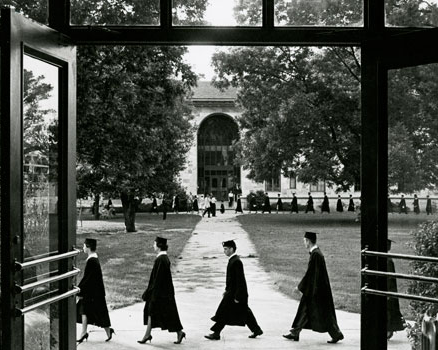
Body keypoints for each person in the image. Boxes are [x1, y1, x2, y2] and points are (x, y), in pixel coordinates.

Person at [283, 232, 344, 344]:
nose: (304, 243)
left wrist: (299, 287)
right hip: (316, 289)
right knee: (305, 310)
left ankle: (336, 334)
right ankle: (295, 332)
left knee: (324, 313)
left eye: (304, 241)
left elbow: (310, 274)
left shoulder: (316, 255)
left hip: (317, 290)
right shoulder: (316, 254)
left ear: (308, 241)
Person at [205, 240, 263, 340]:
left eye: (226, 249)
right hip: (232, 292)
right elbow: (231, 280)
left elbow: (240, 281)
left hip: (236, 294)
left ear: (232, 249)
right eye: (224, 249)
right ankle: (256, 330)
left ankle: (216, 333)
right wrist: (226, 290)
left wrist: (238, 296)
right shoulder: (233, 260)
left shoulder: (236, 261)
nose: (224, 251)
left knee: (224, 312)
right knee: (244, 313)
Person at [138, 237, 186, 345]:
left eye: (154, 244)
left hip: (161, 294)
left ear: (159, 245)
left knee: (160, 313)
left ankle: (178, 332)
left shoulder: (161, 259)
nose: (153, 246)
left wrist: (150, 293)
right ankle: (178, 332)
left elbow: (157, 280)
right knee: (162, 313)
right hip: (164, 292)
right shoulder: (163, 258)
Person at [77, 238, 115, 344]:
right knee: (85, 311)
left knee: (100, 313)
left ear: (88, 247)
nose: (83, 247)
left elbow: (87, 278)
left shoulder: (92, 261)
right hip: (94, 292)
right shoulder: (93, 258)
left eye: (84, 246)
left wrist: (79, 289)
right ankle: (84, 333)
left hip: (94, 293)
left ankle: (108, 331)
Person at [386, 239, 406, 340]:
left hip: (389, 288)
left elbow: (390, 278)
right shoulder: (387, 258)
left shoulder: (387, 260)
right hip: (390, 288)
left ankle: (389, 329)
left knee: (389, 309)